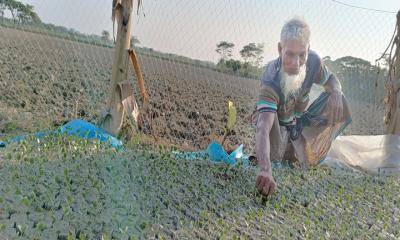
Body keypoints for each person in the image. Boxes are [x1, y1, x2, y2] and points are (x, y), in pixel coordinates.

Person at [254, 17, 352, 197]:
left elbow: (332, 80)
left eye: (302, 55)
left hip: (298, 120)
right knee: (273, 157)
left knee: (340, 98)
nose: (296, 63)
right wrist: (266, 169)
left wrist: (336, 92)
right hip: (276, 123)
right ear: (279, 49)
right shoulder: (270, 79)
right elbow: (262, 128)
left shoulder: (314, 62)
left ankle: (303, 147)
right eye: (290, 54)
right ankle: (271, 157)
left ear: (308, 50)